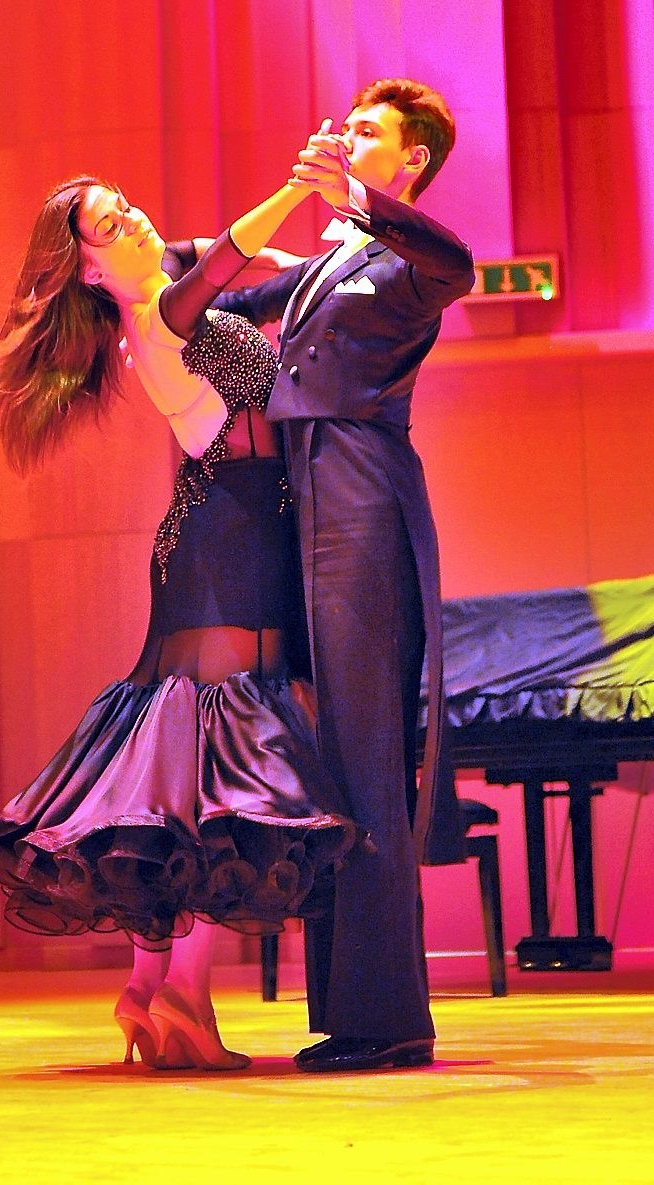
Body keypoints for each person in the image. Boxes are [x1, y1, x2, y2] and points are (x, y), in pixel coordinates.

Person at [0, 171, 367, 1071]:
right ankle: (185, 992)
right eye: (109, 223)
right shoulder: (159, 314)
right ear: (88, 270)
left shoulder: (173, 282)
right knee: (230, 763)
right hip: (233, 536)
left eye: (125, 204)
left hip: (218, 532)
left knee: (181, 765)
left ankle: (147, 986)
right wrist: (297, 186)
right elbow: (231, 258)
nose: (132, 216)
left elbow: (259, 272)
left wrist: (342, 252)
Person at [203, 79, 475, 1072]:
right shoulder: (328, 261)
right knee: (328, 752)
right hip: (304, 493)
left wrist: (350, 198)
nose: (346, 136)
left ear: (410, 159)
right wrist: (125, 261)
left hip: (362, 488)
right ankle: (353, 1013)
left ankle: (388, 1017)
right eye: (347, 125)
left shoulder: (407, 257)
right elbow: (206, 300)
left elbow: (458, 263)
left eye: (368, 131)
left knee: (364, 751)